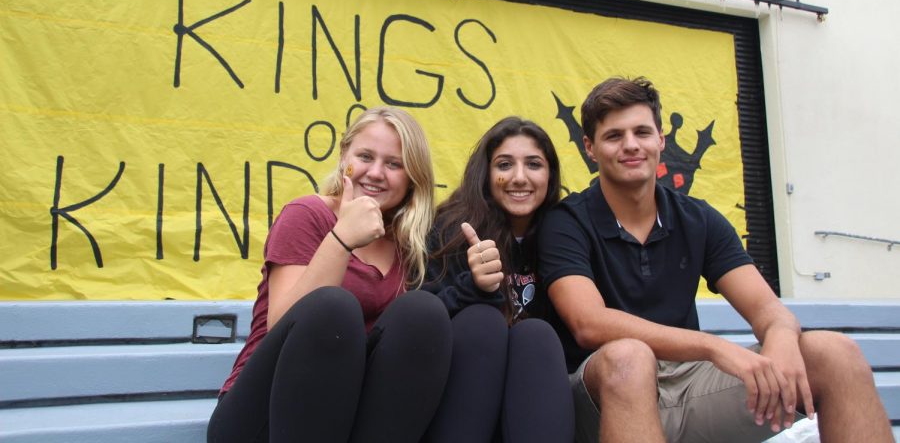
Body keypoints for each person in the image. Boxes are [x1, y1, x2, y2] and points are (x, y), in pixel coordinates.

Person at [537, 77, 893, 443]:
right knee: (629, 358)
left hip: (691, 389)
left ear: (660, 140)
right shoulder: (566, 221)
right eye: (614, 136)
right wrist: (714, 346)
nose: (631, 145)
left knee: (835, 353)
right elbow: (589, 323)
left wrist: (781, 339)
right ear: (590, 148)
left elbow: (769, 311)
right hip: (601, 399)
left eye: (642, 132)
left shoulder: (698, 218)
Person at [207, 106, 452, 443]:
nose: (376, 173)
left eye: (394, 164)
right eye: (365, 156)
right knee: (332, 308)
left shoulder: (408, 242)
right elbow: (282, 324)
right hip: (262, 416)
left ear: (412, 178)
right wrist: (341, 239)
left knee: (424, 312)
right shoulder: (307, 215)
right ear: (343, 158)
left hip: (347, 419)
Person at [423, 117, 574, 442]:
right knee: (482, 322)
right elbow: (422, 319)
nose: (519, 178)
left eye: (534, 164)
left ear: (550, 175)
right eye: (505, 164)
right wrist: (474, 286)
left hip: (534, 401)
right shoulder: (452, 229)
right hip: (461, 399)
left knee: (535, 334)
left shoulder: (564, 235)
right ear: (487, 174)